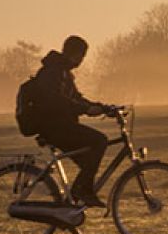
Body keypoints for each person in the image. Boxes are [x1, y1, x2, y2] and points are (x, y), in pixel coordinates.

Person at [30, 35, 112, 207]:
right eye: (81, 56)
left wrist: (101, 107)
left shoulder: (63, 72)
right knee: (99, 141)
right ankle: (82, 192)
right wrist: (86, 109)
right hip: (55, 128)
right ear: (73, 53)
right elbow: (58, 101)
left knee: (88, 162)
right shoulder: (53, 71)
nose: (81, 60)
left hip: (61, 127)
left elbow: (76, 98)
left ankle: (72, 202)